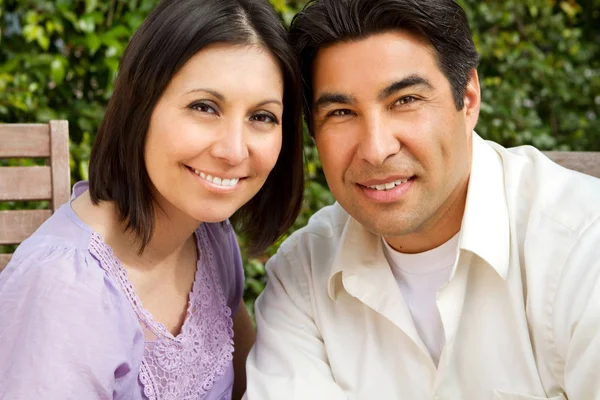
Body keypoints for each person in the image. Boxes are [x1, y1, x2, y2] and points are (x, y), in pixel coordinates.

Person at [244, 0, 600, 398]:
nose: (376, 149)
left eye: (405, 101)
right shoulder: (302, 275)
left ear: (467, 98)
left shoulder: (583, 247)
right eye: (342, 112)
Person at [0, 0, 304, 398]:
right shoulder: (64, 291)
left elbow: (255, 386)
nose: (234, 150)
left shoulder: (210, 239)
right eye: (204, 107)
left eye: (262, 116)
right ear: (139, 107)